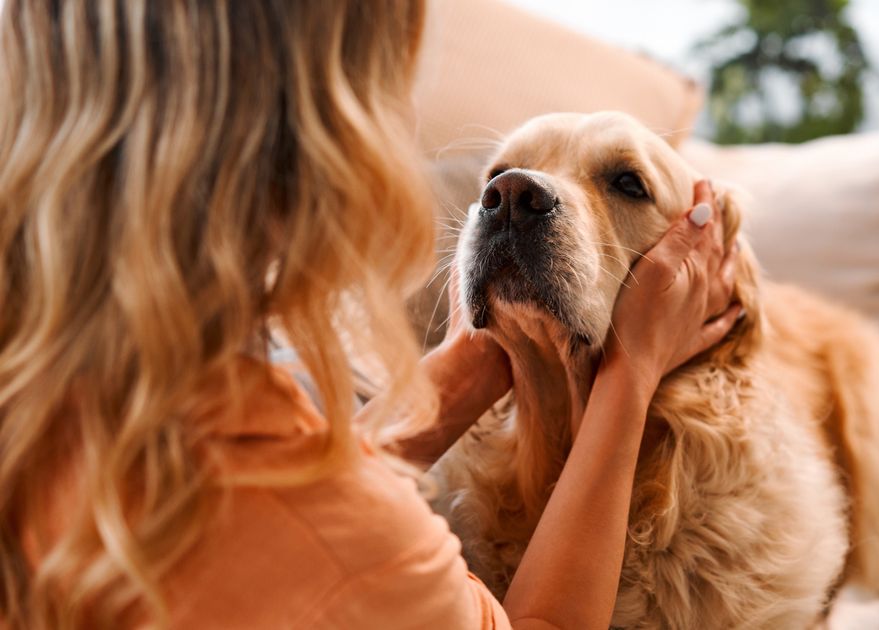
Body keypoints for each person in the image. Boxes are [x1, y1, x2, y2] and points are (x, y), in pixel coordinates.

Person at [0, 1, 737, 628]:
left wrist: (463, 370)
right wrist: (629, 372)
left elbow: (292, 481)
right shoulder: (354, 548)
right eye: (392, 80)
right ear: (322, 145)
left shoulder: (60, 382)